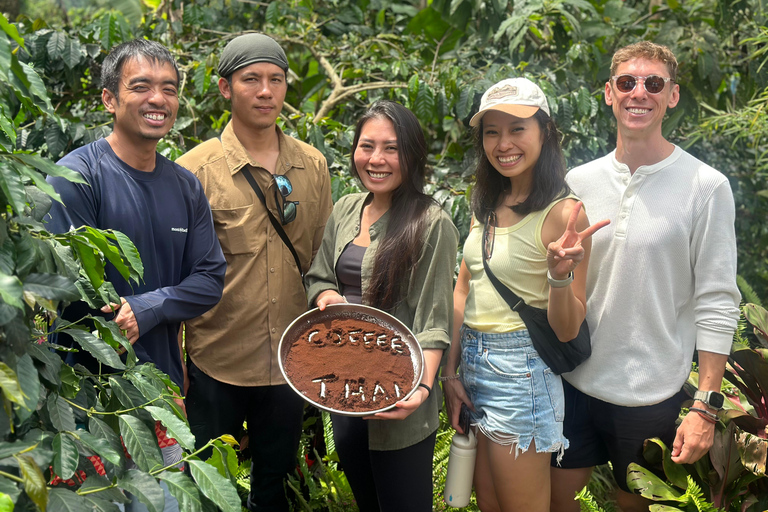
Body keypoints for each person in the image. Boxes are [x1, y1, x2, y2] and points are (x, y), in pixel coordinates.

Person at [549, 41, 741, 512]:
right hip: (573, 379)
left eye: (653, 83)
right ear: (609, 94)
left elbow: (718, 299)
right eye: (627, 82)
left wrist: (705, 406)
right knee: (555, 505)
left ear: (672, 96)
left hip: (651, 392)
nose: (640, 92)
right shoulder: (578, 181)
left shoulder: (705, 186)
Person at [45, 39, 227, 512]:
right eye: (141, 86)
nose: (157, 99)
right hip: (87, 397)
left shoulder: (184, 185)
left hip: (160, 394)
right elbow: (72, 283)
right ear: (109, 99)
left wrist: (147, 308)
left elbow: (210, 277)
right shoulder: (76, 176)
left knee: (164, 504)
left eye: (169, 89)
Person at [176, 33, 333, 512]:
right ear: (225, 88)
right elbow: (175, 273)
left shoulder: (312, 165)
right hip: (215, 361)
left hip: (291, 364)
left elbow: (321, 263)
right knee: (209, 490)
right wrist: (175, 367)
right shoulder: (193, 171)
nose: (266, 91)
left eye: (276, 80)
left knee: (280, 490)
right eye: (251, 80)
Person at [441, 77, 608, 512]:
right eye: (492, 131)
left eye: (518, 128)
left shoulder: (563, 214)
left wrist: (557, 277)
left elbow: (568, 326)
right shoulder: (487, 201)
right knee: (489, 505)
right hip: (475, 365)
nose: (504, 143)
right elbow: (464, 288)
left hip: (520, 373)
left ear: (545, 131)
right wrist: (451, 373)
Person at [304, 100, 459, 512]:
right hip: (344, 387)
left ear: (412, 155)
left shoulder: (431, 223)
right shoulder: (346, 209)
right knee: (366, 500)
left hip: (397, 391)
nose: (376, 159)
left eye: (391, 148)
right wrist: (326, 296)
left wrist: (421, 389)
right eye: (366, 146)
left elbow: (433, 318)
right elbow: (319, 274)